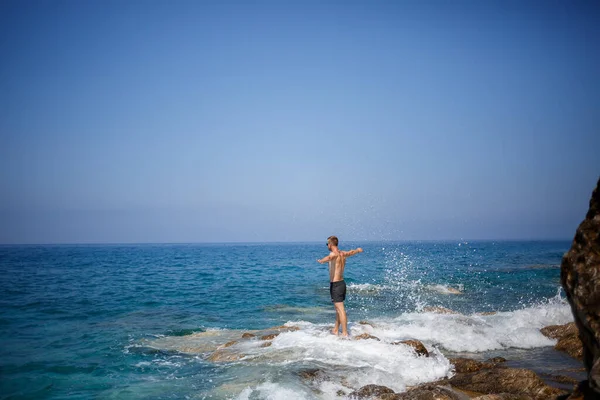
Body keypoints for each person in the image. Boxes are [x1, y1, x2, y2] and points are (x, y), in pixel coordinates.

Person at [317, 236, 363, 337]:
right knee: (338, 309)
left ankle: (345, 333)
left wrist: (321, 260)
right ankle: (336, 329)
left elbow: (330, 257)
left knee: (341, 309)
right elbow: (351, 252)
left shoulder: (333, 254)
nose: (327, 246)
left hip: (336, 285)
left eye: (327, 244)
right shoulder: (343, 254)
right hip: (342, 284)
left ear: (330, 244)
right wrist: (358, 250)